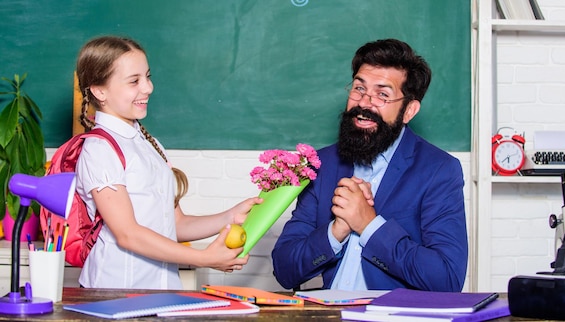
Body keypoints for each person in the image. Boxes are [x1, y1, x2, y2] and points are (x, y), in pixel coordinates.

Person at [271, 39, 468, 292]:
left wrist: (368, 226)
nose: (364, 103)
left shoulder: (439, 170)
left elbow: (447, 279)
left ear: (409, 110)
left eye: (382, 94)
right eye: (359, 89)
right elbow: (285, 270)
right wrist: (336, 230)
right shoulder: (321, 164)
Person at [74, 35, 261, 289]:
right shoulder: (100, 149)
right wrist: (204, 259)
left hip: (160, 290)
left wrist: (230, 216)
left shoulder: (149, 144)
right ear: (99, 90)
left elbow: (176, 224)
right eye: (134, 81)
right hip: (114, 291)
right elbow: (128, 234)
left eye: (147, 77)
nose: (148, 88)